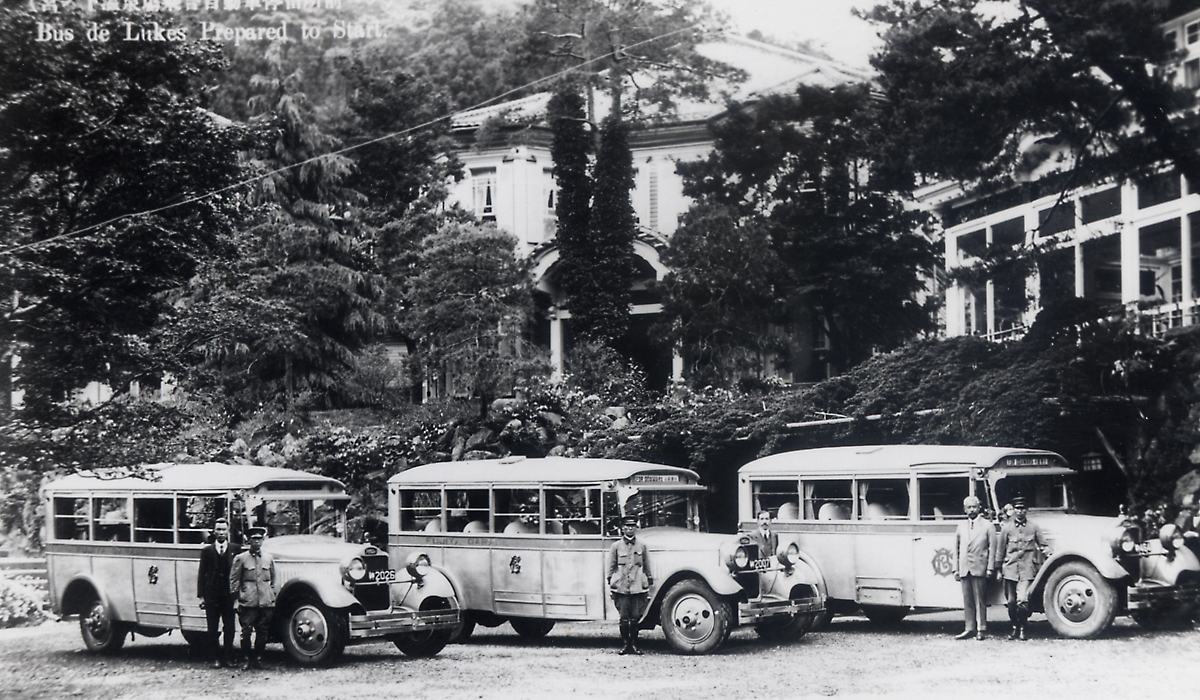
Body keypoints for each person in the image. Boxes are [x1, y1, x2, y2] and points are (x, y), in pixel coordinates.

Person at [996, 497, 1050, 641]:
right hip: (1010, 570)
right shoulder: (1006, 528)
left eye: (1022, 509)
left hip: (1027, 569)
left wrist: (1050, 554)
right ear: (1013, 510)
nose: (1020, 511)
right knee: (1011, 602)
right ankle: (1014, 627)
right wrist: (998, 570)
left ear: (1027, 510)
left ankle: (1023, 628)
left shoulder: (1034, 527)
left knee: (1023, 601)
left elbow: (1043, 546)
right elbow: (1000, 550)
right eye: (1017, 508)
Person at [229, 527, 275, 669]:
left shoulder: (268, 558)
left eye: (259, 538)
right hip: (248, 602)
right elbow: (234, 580)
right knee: (246, 631)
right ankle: (247, 659)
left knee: (262, 632)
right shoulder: (241, 558)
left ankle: (258, 659)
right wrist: (236, 600)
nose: (256, 541)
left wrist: (272, 597)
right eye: (253, 538)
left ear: (263, 540)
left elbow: (273, 579)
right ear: (248, 540)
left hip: (265, 602)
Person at [197, 517, 240, 667]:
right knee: (212, 628)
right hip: (212, 594)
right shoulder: (207, 551)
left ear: (228, 532)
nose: (221, 533)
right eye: (218, 529)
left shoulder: (235, 549)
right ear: (214, 532)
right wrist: (201, 596)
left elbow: (238, 574)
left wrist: (237, 596)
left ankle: (229, 657)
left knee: (229, 627)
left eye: (224, 529)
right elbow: (201, 574)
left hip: (228, 595)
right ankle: (214, 658)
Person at [953, 496, 997, 640]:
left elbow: (992, 548)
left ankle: (981, 629)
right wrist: (956, 569)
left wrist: (990, 568)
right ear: (965, 510)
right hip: (965, 567)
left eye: (974, 507)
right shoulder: (961, 526)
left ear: (979, 508)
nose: (971, 510)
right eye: (968, 507)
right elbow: (956, 548)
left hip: (980, 567)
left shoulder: (987, 525)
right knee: (967, 600)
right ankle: (969, 628)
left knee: (980, 600)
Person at [608, 514, 653, 655]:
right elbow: (611, 566)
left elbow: (647, 565)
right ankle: (625, 645)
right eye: (627, 526)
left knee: (635, 617)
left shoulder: (642, 546)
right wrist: (611, 582)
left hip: (637, 586)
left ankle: (634, 644)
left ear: (635, 528)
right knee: (623, 617)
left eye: (632, 526)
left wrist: (649, 579)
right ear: (622, 528)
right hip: (621, 587)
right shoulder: (615, 546)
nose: (629, 529)